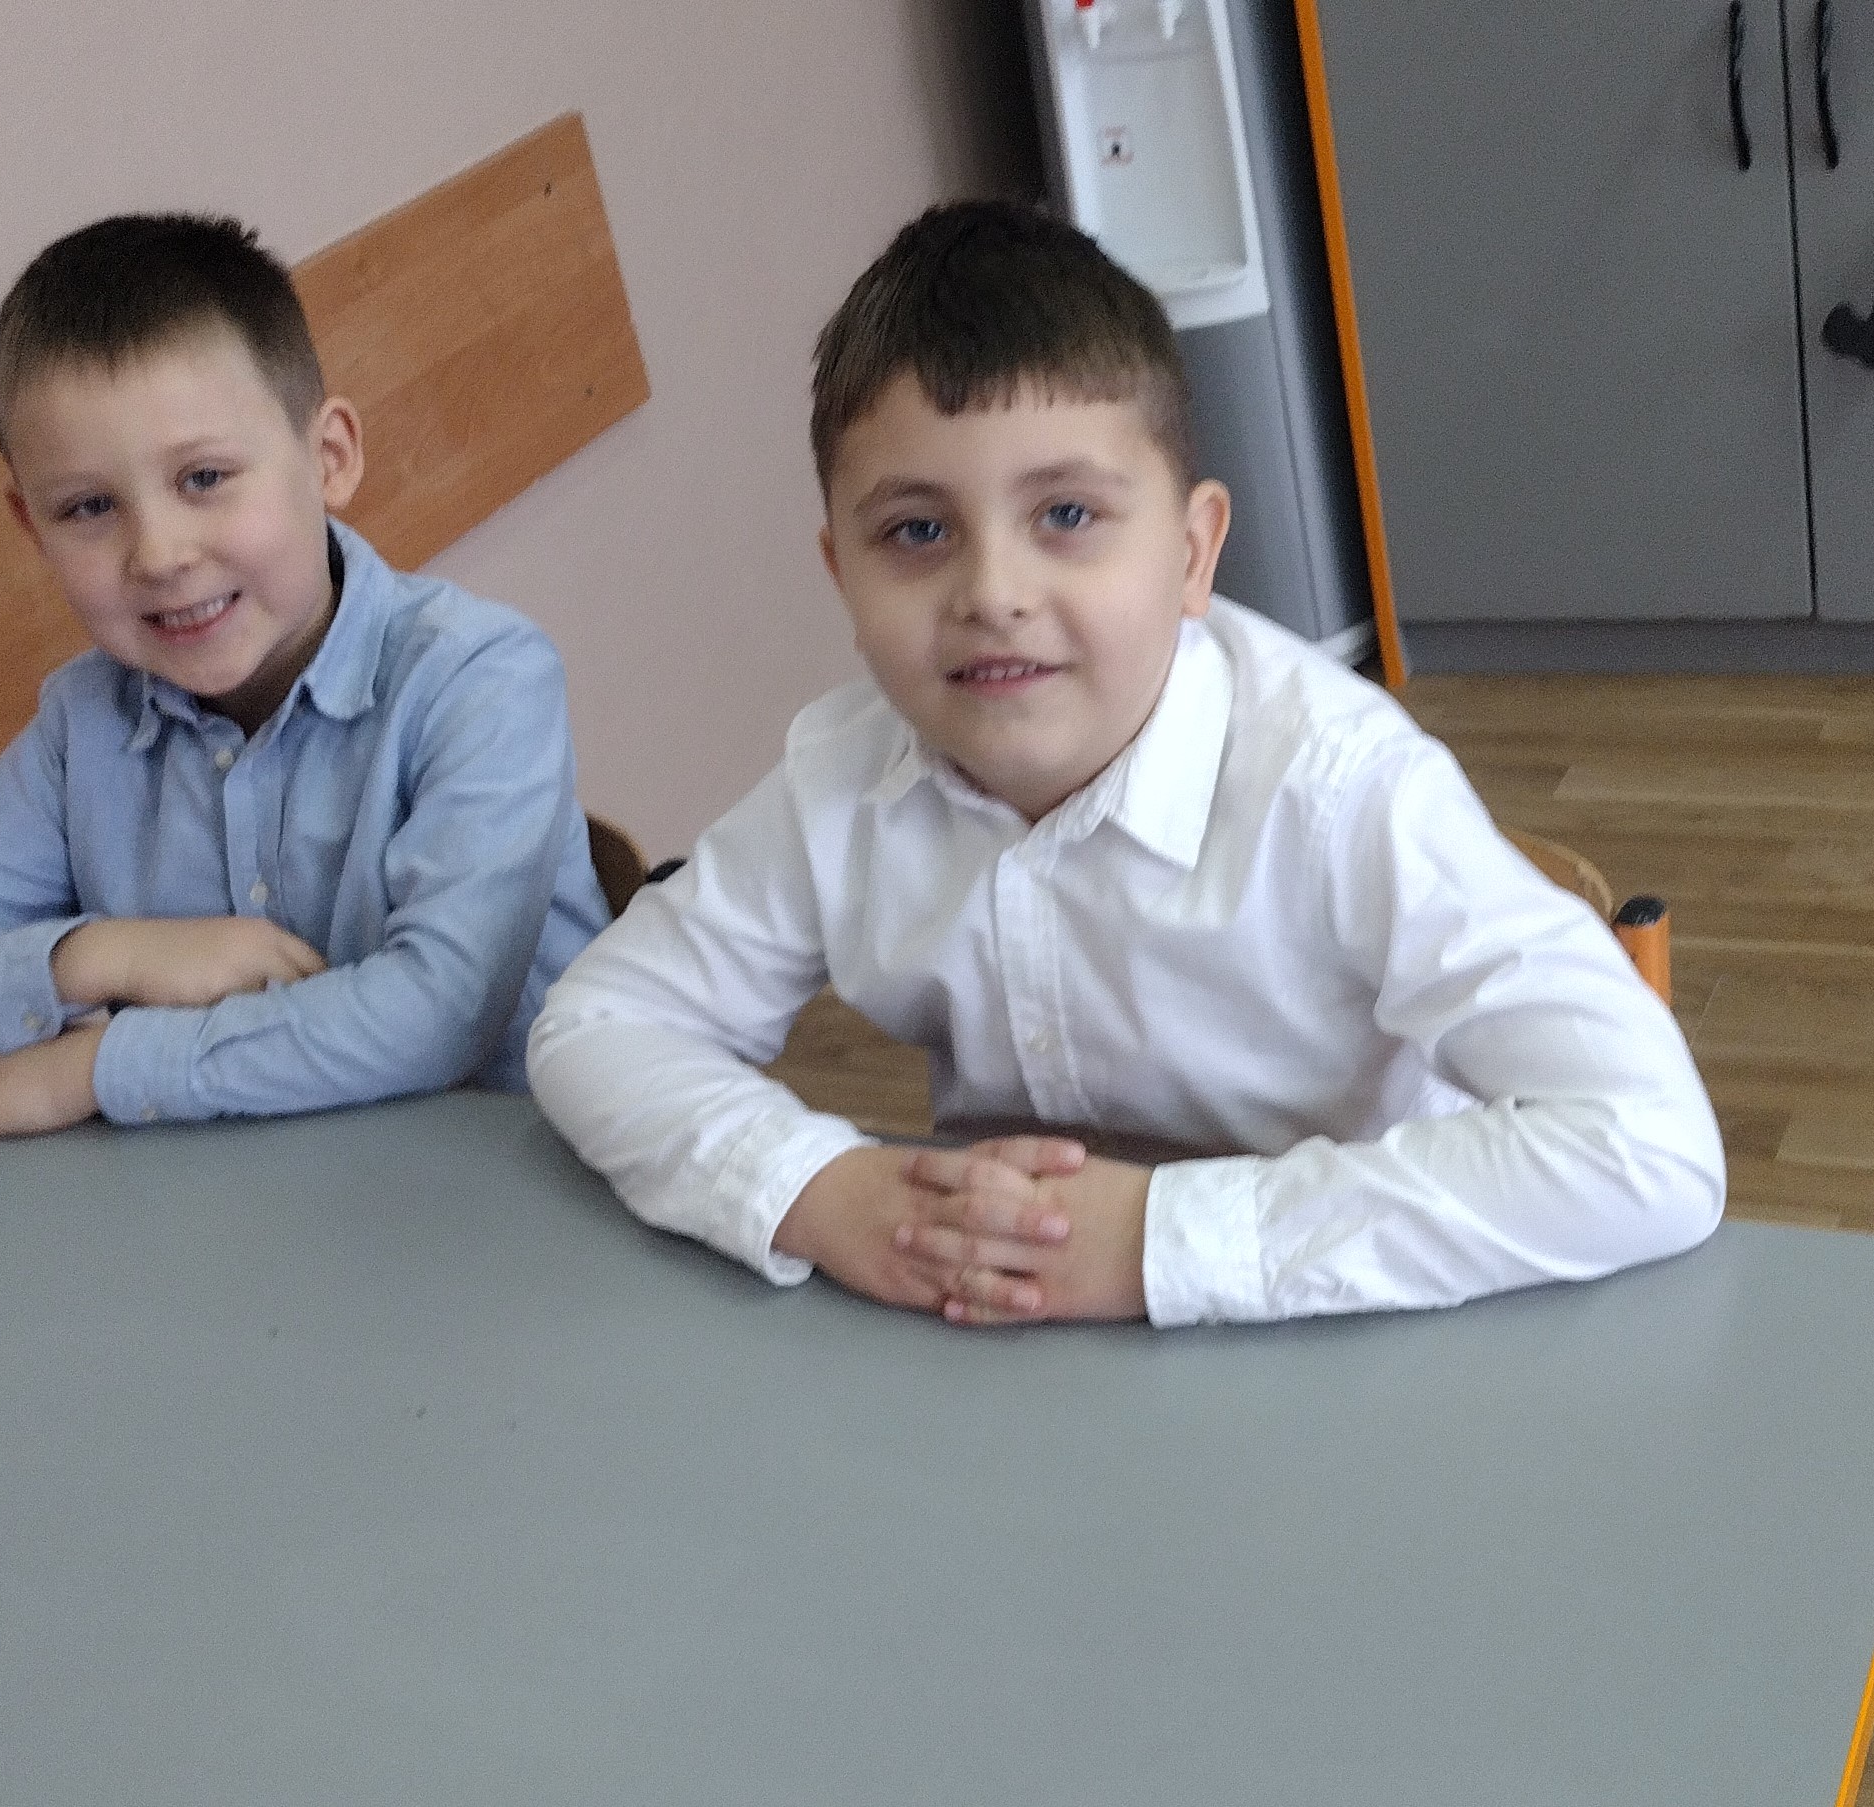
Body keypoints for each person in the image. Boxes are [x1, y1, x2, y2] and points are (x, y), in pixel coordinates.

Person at [527, 200, 1722, 1327]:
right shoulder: (840, 780)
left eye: (1066, 516)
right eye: (917, 531)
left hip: (1342, 1309)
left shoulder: (1341, 790)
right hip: (1024, 1332)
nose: (993, 593)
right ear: (842, 572)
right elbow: (597, 1023)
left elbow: (1650, 1148)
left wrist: (1155, 1239)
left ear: (1192, 554)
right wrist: (814, 1187)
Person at [0, 213, 607, 1136]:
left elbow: (440, 1014)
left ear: (329, 459)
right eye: (89, 507)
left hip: (495, 1185)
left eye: (204, 478)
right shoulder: (81, 728)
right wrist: (106, 956)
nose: (158, 553)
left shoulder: (479, 678)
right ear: (33, 529)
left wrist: (103, 1066)